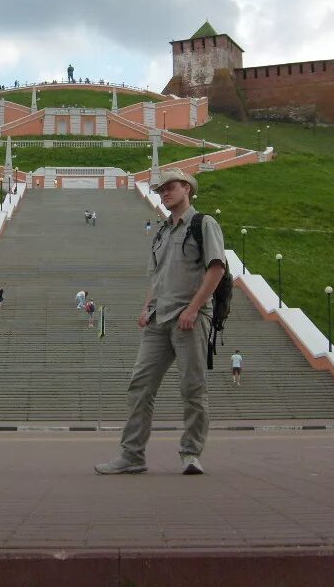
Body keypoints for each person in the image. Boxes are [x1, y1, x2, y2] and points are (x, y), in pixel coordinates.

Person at [95, 169, 224, 476]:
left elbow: (216, 269)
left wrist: (193, 309)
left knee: (193, 388)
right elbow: (158, 276)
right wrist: (146, 308)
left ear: (187, 189)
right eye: (161, 190)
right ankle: (132, 455)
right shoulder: (162, 232)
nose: (165, 194)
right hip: (158, 320)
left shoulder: (202, 224)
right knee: (139, 385)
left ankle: (191, 453)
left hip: (188, 319)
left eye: (171, 188)